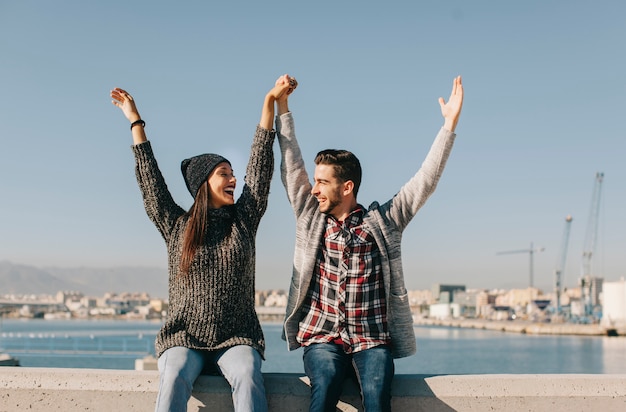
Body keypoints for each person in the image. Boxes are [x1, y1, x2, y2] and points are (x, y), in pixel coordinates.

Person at [275, 75, 464, 412]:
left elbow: (424, 181)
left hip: (371, 341)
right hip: (321, 339)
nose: (314, 188)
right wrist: (283, 107)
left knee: (376, 396)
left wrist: (448, 126)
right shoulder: (311, 216)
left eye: (322, 182)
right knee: (327, 380)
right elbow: (291, 166)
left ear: (346, 187)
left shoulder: (383, 222)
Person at [109, 75, 296, 412]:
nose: (234, 179)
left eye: (232, 172)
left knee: (249, 373)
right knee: (174, 373)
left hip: (236, 338)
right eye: (224, 173)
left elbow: (260, 167)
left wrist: (268, 103)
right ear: (204, 184)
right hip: (184, 338)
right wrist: (135, 120)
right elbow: (150, 180)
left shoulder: (245, 219)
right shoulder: (176, 225)